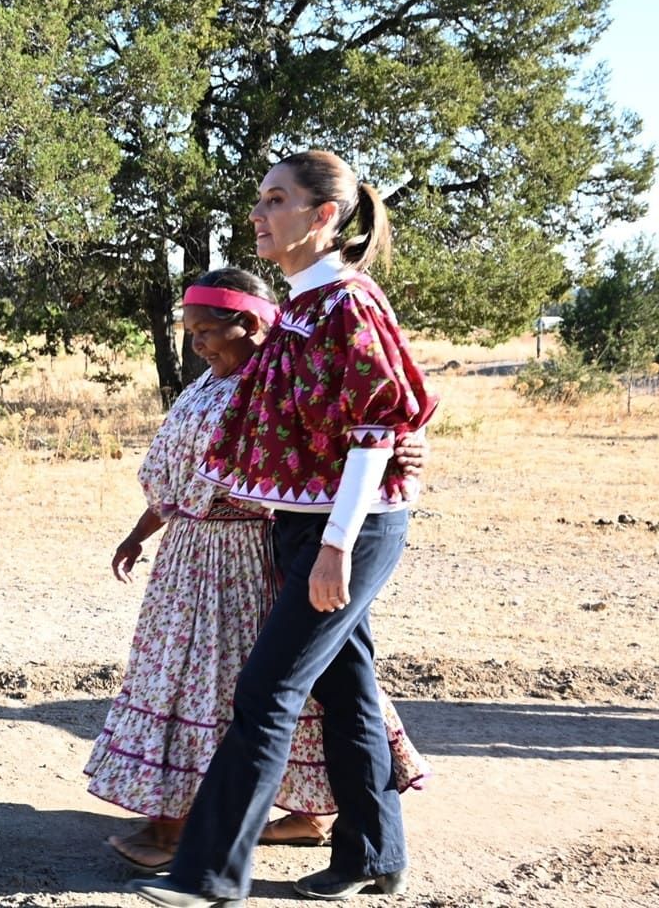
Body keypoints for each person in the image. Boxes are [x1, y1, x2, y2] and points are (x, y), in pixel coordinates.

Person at [131, 150, 437, 906]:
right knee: (350, 693)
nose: (258, 216)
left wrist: (335, 545)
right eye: (260, 201)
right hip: (303, 527)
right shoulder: (303, 307)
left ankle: (207, 876)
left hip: (345, 534)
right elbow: (281, 424)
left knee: (266, 691)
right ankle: (374, 853)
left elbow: (378, 425)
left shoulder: (348, 303)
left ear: (323, 216)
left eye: (275, 201)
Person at [85, 268, 427, 875]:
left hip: (249, 558)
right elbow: (176, 477)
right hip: (191, 557)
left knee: (238, 689)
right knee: (221, 684)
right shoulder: (203, 388)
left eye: (208, 330)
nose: (198, 344)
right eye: (189, 332)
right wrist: (139, 534)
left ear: (253, 324)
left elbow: (360, 428)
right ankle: (254, 821)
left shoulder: (276, 383)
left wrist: (402, 447)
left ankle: (191, 831)